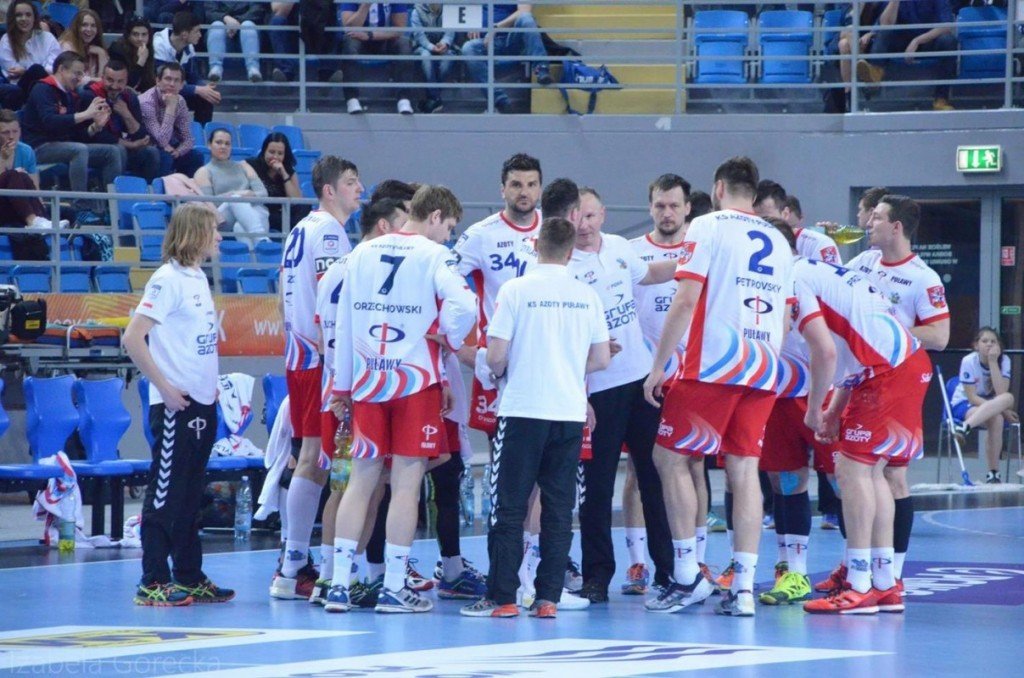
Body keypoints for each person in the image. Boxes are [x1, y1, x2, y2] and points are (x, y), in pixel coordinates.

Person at [643, 156, 794, 618]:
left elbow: (685, 299)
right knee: (744, 470)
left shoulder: (707, 226)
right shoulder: (779, 239)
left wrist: (658, 366)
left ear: (719, 188)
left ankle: (687, 575)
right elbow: (784, 318)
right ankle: (744, 588)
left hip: (713, 365)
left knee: (669, 458)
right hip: (763, 367)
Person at [327, 185, 476, 613]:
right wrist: (446, 335)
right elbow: (466, 304)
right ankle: (393, 587)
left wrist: (342, 385)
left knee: (361, 481)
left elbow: (343, 321)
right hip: (415, 382)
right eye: (448, 227)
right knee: (407, 486)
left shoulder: (361, 252)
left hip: (369, 380)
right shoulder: (434, 255)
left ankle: (338, 584)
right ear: (435, 216)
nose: (448, 236)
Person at [775, 223, 930, 616]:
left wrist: (814, 410)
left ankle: (859, 584)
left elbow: (825, 352)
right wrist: (832, 410)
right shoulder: (822, 272)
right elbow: (850, 351)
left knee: (852, 470)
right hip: (902, 364)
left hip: (886, 371)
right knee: (873, 473)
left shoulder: (792, 277)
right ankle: (884, 583)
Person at [461, 216, 611, 619]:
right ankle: (548, 599)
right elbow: (600, 358)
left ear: (535, 246)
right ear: (570, 252)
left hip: (522, 409)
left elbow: (495, 356)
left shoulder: (515, 290)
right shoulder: (587, 296)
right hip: (567, 412)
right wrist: (566, 365)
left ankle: (503, 597)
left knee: (508, 506)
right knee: (559, 508)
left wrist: (501, 369)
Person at [829, 194, 949, 599]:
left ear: (896, 227)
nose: (868, 223)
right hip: (861, 377)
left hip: (897, 380)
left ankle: (888, 574)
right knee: (859, 472)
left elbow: (940, 335)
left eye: (877, 218)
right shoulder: (863, 263)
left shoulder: (923, 278)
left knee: (883, 473)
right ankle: (864, 569)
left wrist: (884, 332)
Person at [567, 186, 678, 606]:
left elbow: (651, 275)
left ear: (603, 215)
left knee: (655, 477)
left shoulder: (618, 248)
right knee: (597, 488)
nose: (584, 225)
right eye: (577, 217)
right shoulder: (563, 264)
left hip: (641, 382)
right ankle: (597, 576)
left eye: (591, 216)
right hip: (598, 388)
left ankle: (669, 571)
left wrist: (693, 260)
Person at [123, 203, 235, 607]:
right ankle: (152, 579)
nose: (219, 236)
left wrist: (210, 384)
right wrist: (165, 388)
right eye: (213, 230)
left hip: (201, 402)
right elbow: (132, 338)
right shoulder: (166, 279)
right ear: (195, 233)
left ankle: (189, 575)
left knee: (190, 493)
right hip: (176, 406)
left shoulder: (197, 277)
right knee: (165, 492)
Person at [272, 155, 363, 601]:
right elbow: (332, 297)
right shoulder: (329, 232)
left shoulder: (300, 228)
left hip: (299, 353)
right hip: (317, 358)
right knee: (314, 459)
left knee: (312, 458)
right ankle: (293, 566)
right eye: (351, 182)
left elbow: (281, 290)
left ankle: (293, 565)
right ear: (329, 190)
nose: (359, 189)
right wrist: (335, 355)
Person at [754, 217, 839, 608]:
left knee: (846, 482)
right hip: (779, 395)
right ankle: (794, 572)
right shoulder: (758, 280)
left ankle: (863, 570)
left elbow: (827, 344)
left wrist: (823, 402)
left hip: (824, 392)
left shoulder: (806, 275)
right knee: (786, 482)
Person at [628, 173, 700, 599]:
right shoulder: (633, 253)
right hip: (645, 377)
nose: (667, 213)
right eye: (660, 205)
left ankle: (694, 558)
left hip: (693, 376)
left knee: (692, 467)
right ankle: (638, 560)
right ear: (650, 207)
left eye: (674, 205)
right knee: (640, 471)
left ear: (688, 207)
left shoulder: (701, 250)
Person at [454, 153, 542, 440]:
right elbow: (445, 281)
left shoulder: (554, 229)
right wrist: (458, 344)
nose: (524, 192)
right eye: (516, 184)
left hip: (544, 351)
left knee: (546, 441)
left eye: (531, 184)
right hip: (498, 356)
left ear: (540, 188)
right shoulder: (480, 235)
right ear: (502, 189)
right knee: (500, 443)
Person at [20, 50, 122, 224]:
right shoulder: (42, 88)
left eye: (81, 74)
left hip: (63, 146)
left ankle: (111, 210)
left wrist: (95, 127)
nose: (80, 78)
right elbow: (50, 121)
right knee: (78, 150)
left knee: (112, 151)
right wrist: (86, 114)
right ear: (62, 69)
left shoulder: (68, 95)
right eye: (77, 73)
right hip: (38, 147)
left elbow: (74, 134)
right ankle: (81, 208)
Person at [857, 0, 957, 110]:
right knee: (884, 30)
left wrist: (917, 41)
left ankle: (941, 99)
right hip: (901, 41)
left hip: (928, 41)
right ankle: (875, 72)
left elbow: (946, 26)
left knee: (948, 41)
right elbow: (885, 23)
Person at [0, 108, 69, 260]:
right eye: (5, 132)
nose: (11, 136)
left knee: (69, 212)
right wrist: (4, 160)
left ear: (20, 131)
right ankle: (34, 221)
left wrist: (41, 210)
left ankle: (41, 222)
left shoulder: (26, 151)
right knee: (14, 175)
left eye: (15, 131)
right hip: (2, 206)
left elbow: (34, 188)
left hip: (21, 206)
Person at [952, 327, 1018, 483]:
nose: (989, 344)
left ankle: (993, 473)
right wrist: (1004, 412)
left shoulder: (1005, 361)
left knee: (1007, 399)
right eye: (985, 341)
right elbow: (972, 397)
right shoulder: (968, 361)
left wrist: (993, 362)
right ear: (976, 345)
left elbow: (1001, 393)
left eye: (993, 341)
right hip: (965, 404)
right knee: (998, 415)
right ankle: (965, 425)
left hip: (992, 406)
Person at [461, 3, 551, 113]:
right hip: (485, 42)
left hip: (512, 38)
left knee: (526, 17)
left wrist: (496, 28)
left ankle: (541, 68)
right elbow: (464, 9)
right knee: (468, 48)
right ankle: (500, 101)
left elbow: (524, 10)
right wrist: (471, 23)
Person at [79, 60, 160, 182]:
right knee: (118, 150)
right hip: (97, 149)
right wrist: (131, 145)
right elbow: (99, 136)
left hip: (124, 148)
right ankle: (114, 193)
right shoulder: (90, 95)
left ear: (126, 82)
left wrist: (126, 114)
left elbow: (141, 136)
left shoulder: (130, 97)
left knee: (151, 152)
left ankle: (146, 192)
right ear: (102, 78)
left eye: (120, 81)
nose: (114, 86)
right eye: (110, 80)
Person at [338, 3, 416, 115]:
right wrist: (365, 5)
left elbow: (399, 29)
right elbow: (349, 28)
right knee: (349, 44)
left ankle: (404, 99)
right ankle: (352, 99)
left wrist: (370, 35)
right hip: (359, 39)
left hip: (384, 38)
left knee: (404, 44)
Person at [194, 128, 270, 242]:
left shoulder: (244, 165)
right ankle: (262, 239)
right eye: (219, 142)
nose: (223, 147)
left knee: (240, 227)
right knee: (235, 199)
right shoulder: (203, 172)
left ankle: (256, 249)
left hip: (254, 211)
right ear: (209, 145)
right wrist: (235, 195)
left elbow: (263, 194)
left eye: (227, 144)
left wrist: (247, 196)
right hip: (222, 217)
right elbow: (209, 204)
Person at [153, 11, 220, 124]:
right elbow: (164, 85)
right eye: (196, 31)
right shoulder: (159, 45)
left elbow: (193, 76)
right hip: (158, 93)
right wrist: (198, 89)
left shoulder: (189, 47)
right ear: (184, 34)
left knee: (205, 98)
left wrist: (206, 89)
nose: (200, 35)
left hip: (176, 90)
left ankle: (200, 132)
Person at [138, 62, 203, 178]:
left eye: (176, 80)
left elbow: (188, 139)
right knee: (165, 157)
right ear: (158, 81)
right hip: (145, 148)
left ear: (182, 85)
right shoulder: (146, 102)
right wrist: (170, 108)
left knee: (195, 156)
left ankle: (188, 188)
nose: (172, 84)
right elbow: (161, 139)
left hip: (169, 147)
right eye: (168, 79)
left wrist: (178, 152)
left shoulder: (180, 101)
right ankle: (161, 189)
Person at [246, 132, 306, 234]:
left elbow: (297, 200)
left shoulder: (288, 171)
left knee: (305, 207)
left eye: (280, 153)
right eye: (271, 152)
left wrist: (284, 174)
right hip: (262, 211)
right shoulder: (253, 165)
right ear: (264, 151)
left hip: (282, 212)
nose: (275, 157)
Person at [0, 1, 63, 96]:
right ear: (13, 18)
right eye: (19, 15)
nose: (24, 19)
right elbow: (12, 71)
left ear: (34, 18)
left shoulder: (48, 38)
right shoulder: (6, 40)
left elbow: (54, 66)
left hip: (47, 84)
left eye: (28, 15)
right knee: (36, 69)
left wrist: (25, 71)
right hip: (21, 88)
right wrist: (31, 71)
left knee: (38, 70)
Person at [205, 2, 268, 83]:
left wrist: (236, 22)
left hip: (248, 34)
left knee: (247, 25)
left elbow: (257, 10)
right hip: (223, 34)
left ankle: (253, 70)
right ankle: (215, 70)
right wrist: (225, 18)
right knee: (217, 25)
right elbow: (209, 12)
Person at [410, 3, 456, 113]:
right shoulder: (416, 11)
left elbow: (450, 33)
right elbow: (419, 36)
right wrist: (431, 47)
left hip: (444, 47)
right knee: (426, 56)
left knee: (449, 57)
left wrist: (444, 43)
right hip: (422, 47)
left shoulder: (450, 9)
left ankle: (431, 99)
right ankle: (435, 98)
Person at [108, 15, 158, 93]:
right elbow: (126, 84)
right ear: (128, 36)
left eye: (144, 34)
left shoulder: (148, 50)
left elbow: (149, 82)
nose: (140, 39)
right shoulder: (117, 50)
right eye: (135, 34)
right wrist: (141, 61)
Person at [58, 8, 107, 83]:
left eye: (93, 26)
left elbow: (106, 80)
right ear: (76, 27)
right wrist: (97, 81)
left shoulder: (95, 49)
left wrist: (101, 54)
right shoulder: (66, 46)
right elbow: (72, 77)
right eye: (84, 25)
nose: (89, 29)